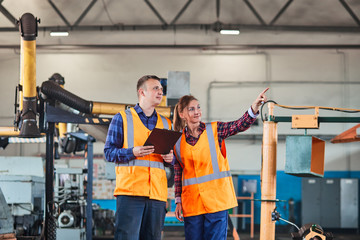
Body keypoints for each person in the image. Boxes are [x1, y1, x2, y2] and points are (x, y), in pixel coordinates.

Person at [172, 88, 269, 240]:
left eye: (198, 107)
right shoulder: (177, 141)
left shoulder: (215, 130)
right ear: (182, 114)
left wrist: (254, 108)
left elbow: (239, 125)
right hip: (192, 204)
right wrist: (178, 200)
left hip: (216, 202)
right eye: (191, 109)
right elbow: (178, 173)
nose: (197, 111)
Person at [104, 75, 174, 240]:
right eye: (155, 88)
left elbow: (173, 161)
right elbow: (108, 153)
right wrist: (131, 152)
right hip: (131, 193)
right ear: (142, 92)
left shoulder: (167, 123)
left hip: (157, 195)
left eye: (161, 89)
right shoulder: (121, 118)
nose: (160, 92)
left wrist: (170, 159)